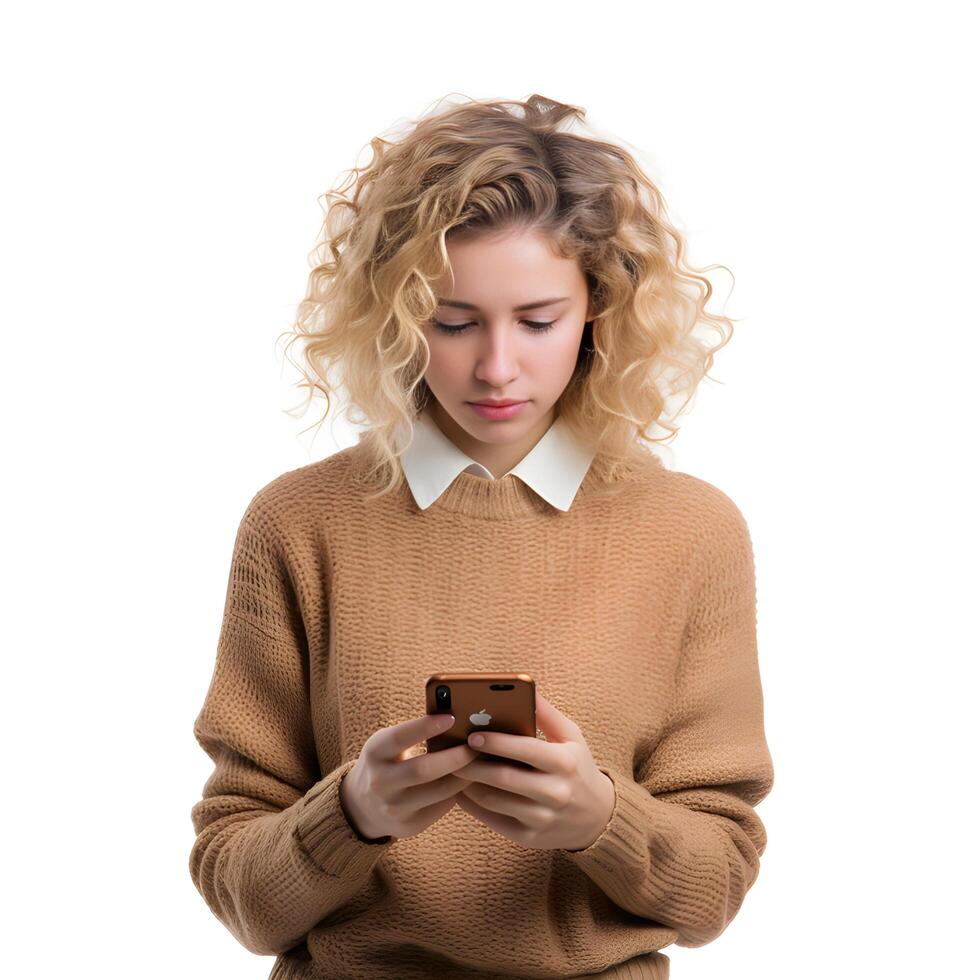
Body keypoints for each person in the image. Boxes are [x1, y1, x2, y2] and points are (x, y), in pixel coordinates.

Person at [188, 93, 774, 980]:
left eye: (538, 321)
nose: (496, 367)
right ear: (394, 315)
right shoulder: (300, 523)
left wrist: (598, 821)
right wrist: (350, 813)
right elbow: (241, 892)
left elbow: (715, 884)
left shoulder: (691, 532)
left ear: (598, 316)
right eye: (452, 322)